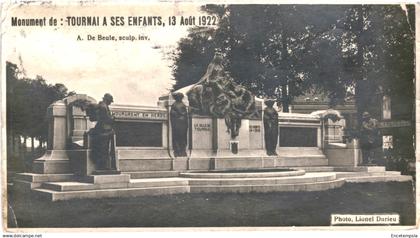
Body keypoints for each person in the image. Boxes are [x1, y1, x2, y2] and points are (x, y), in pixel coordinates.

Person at [90, 93, 116, 170]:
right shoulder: (103, 107)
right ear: (107, 100)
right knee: (104, 149)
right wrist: (112, 118)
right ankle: (103, 167)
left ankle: (104, 166)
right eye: (110, 101)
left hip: (103, 130)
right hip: (103, 131)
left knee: (104, 149)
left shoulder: (103, 106)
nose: (111, 103)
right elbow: (106, 119)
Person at [170, 92, 188, 157]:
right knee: (176, 138)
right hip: (176, 124)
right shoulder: (174, 105)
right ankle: (177, 151)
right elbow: (172, 113)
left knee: (182, 138)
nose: (180, 98)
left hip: (183, 125)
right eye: (178, 97)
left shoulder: (182, 104)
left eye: (180, 97)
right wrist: (179, 115)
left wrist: (181, 116)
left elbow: (185, 114)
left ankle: (183, 151)